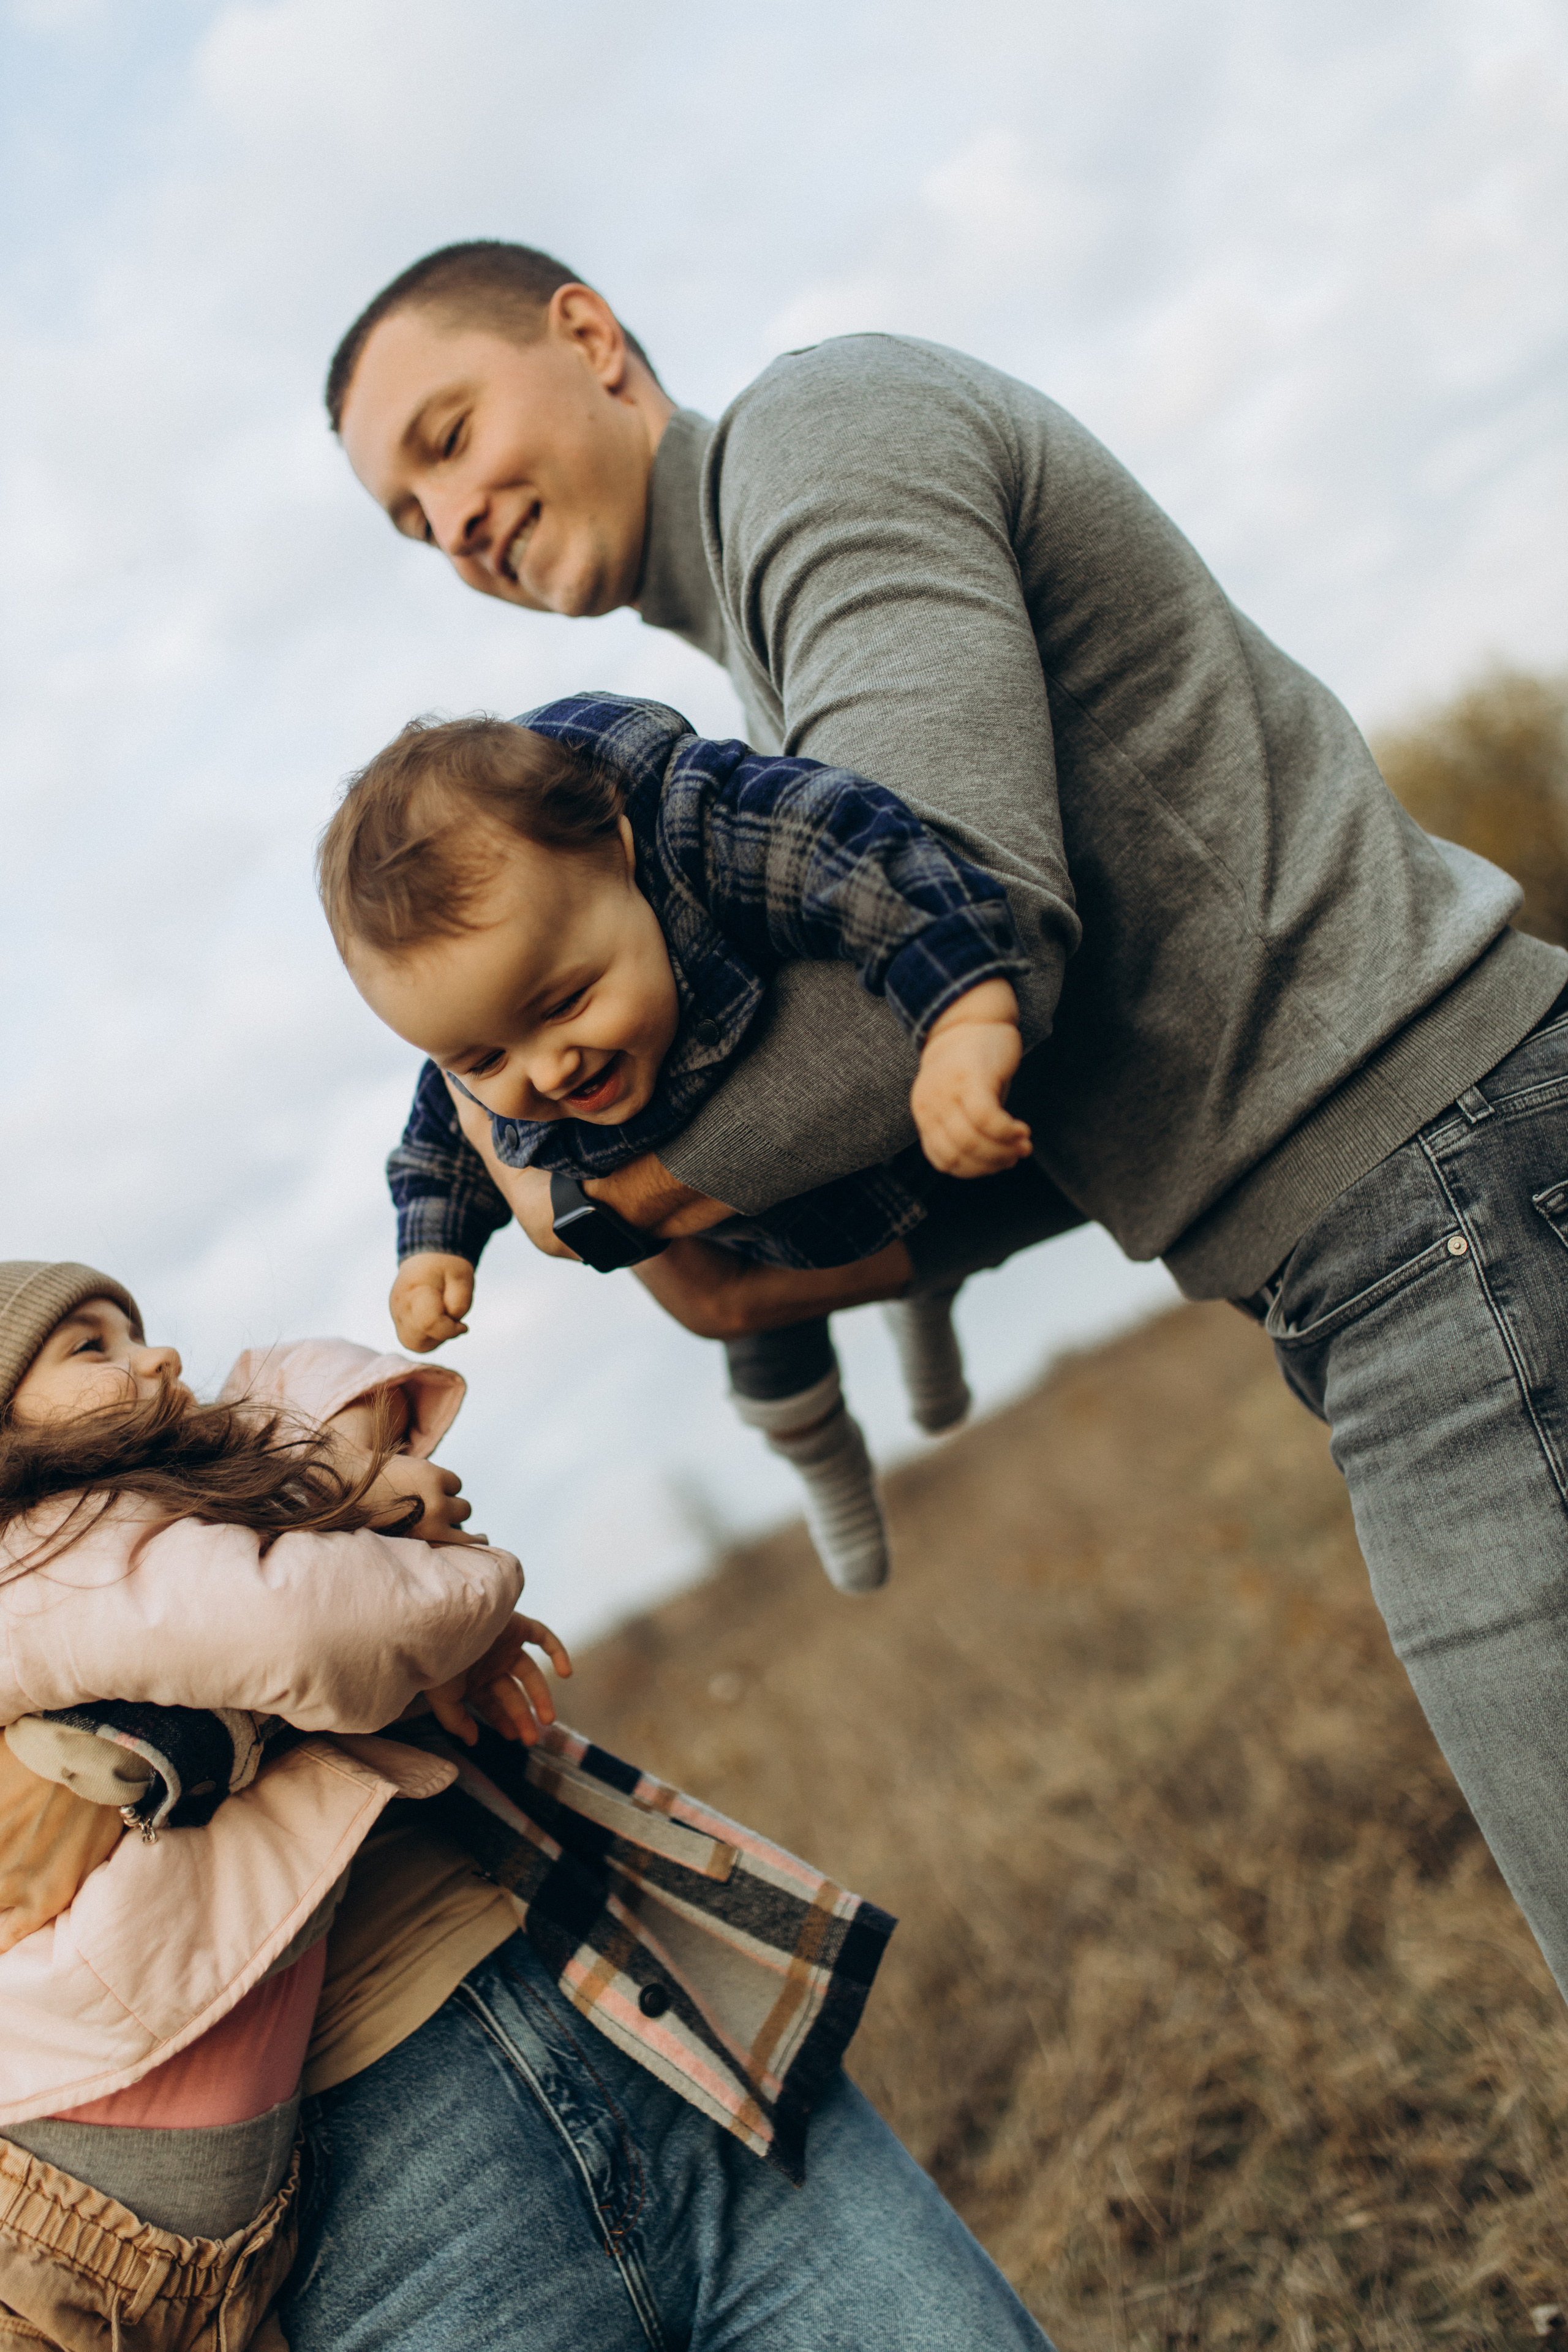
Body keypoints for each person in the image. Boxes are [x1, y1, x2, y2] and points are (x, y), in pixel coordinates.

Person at [324, 241, 1568, 2022]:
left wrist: (604, 1194)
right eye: (404, 512)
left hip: (1446, 1190)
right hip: (1391, 1225)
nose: (450, 517)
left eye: (449, 435)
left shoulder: (826, 447)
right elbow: (1054, 1079)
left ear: (590, 339)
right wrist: (818, 1277)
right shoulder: (758, 694)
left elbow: (975, 922)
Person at [0, 1260, 1053, 2351]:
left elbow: (318, 1402)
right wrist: (437, 1576)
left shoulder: (185, 1520)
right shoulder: (42, 1563)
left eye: (134, 1329)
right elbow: (333, 1631)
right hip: (380, 2185)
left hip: (610, 2003)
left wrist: (361, 1523)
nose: (156, 1357)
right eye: (91, 1349)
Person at [318, 695, 1034, 1592]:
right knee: (777, 1380)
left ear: (619, 856)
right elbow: (436, 1139)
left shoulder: (707, 831)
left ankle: (927, 1310)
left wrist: (963, 1016)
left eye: (567, 1003)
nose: (546, 1071)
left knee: (944, 1171)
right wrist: (430, 1248)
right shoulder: (480, 1030)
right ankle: (826, 1463)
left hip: (872, 1169)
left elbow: (866, 861)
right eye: (486, 1056)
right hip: (723, 1232)